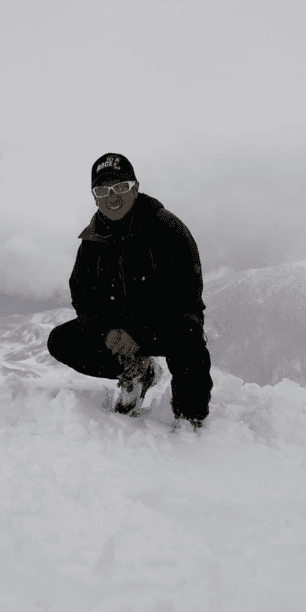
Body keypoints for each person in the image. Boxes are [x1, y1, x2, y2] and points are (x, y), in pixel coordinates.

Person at [47, 152, 213, 430]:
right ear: (95, 198)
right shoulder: (93, 238)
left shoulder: (166, 228)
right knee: (62, 340)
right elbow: (83, 295)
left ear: (135, 189)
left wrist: (138, 332)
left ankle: (190, 418)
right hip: (119, 327)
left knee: (188, 336)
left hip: (165, 324)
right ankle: (137, 371)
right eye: (102, 191)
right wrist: (108, 330)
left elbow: (185, 296)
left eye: (120, 187)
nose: (112, 197)